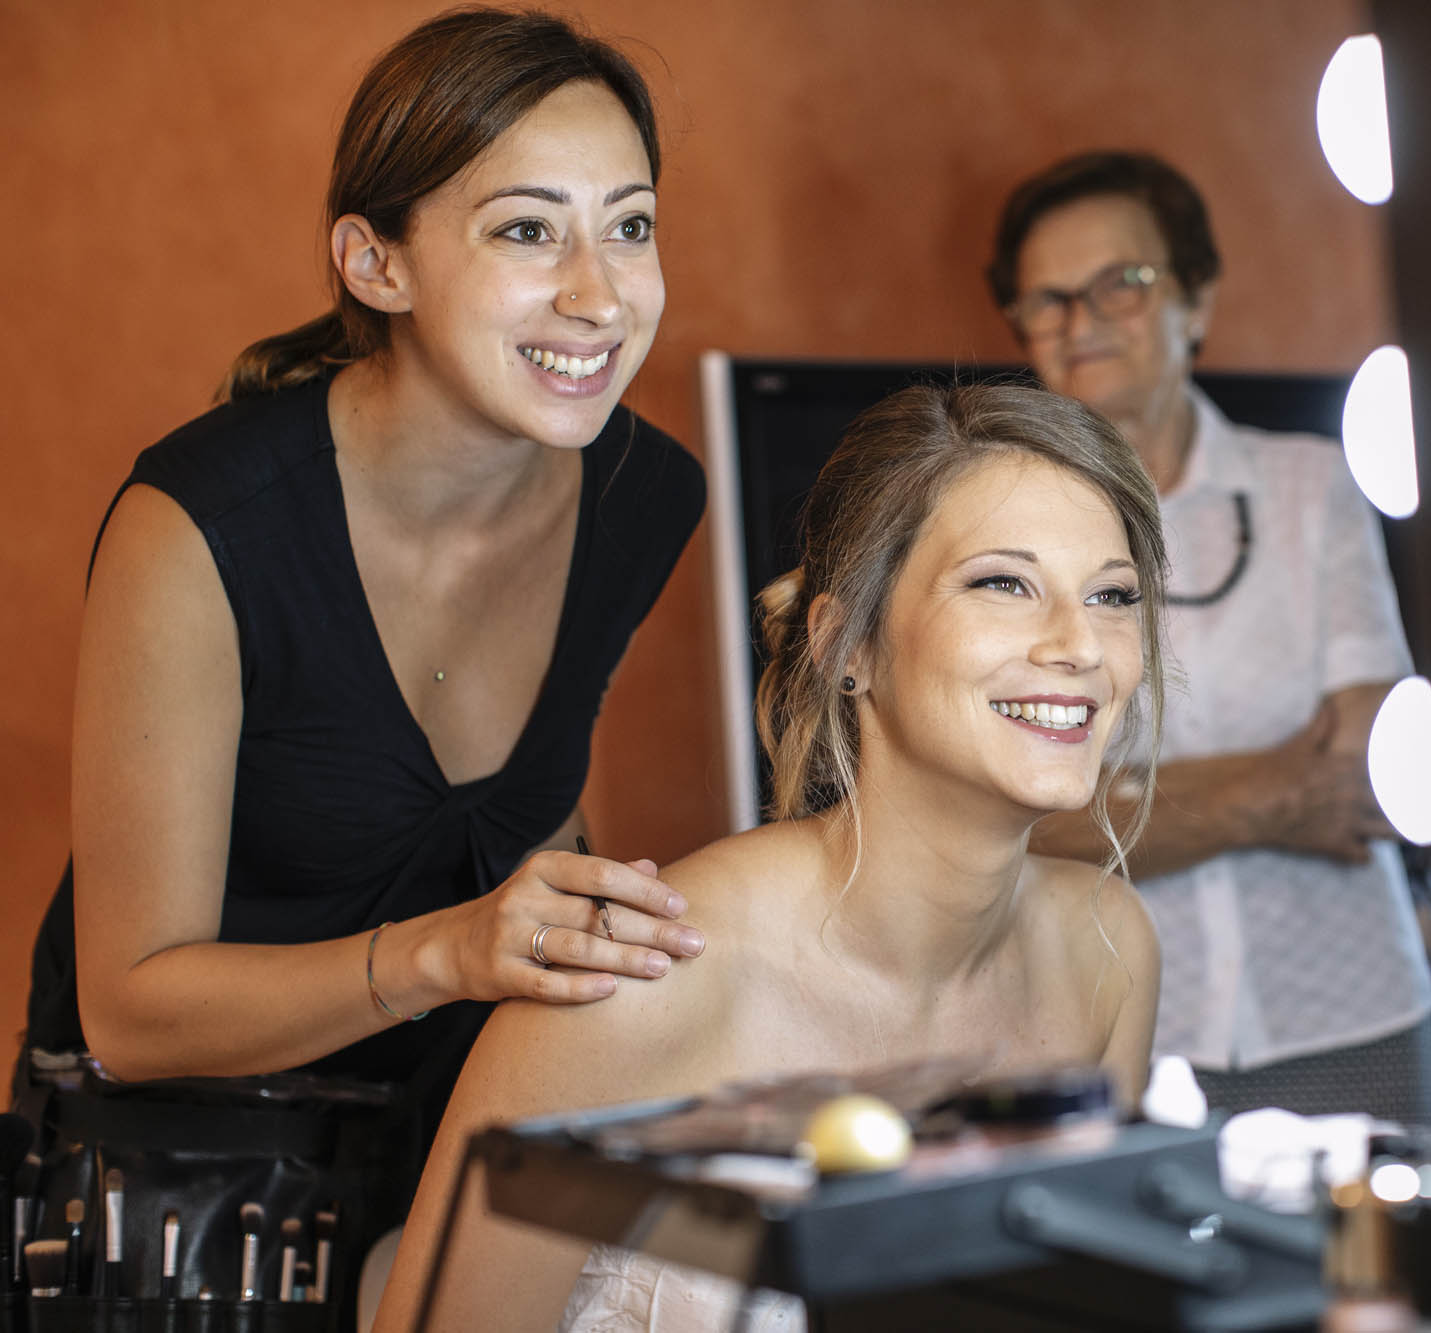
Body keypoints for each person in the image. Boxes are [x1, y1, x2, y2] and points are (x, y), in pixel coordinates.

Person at [13, 4, 707, 1281]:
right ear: (374, 263)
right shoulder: (200, 528)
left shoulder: (645, 494)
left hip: (449, 1167)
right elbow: (130, 1009)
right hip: (180, 1203)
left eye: (630, 224)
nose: (599, 293)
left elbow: (524, 824)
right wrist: (453, 949)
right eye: (525, 229)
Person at [370, 382, 1167, 1333]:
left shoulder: (1106, 954)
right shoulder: (636, 982)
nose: (1080, 645)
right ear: (845, 646)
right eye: (1003, 582)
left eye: (1113, 596)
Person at [986, 150, 1431, 1121]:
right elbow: (1025, 829)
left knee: (1391, 1273)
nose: (1083, 321)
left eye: (1123, 283)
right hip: (1118, 1035)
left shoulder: (1313, 486)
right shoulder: (993, 531)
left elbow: (1362, 777)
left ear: (1196, 301)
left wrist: (1129, 799)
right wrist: (1274, 790)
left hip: (1349, 1013)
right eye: (1048, 300)